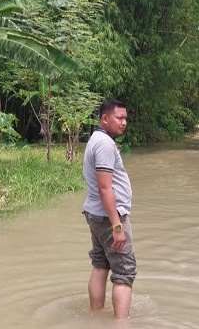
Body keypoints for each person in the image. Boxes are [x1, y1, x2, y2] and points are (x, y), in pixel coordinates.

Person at [82, 99, 136, 319]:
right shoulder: (104, 144)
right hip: (109, 218)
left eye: (125, 118)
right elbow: (105, 188)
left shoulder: (96, 139)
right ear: (104, 119)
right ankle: (121, 324)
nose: (124, 122)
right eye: (119, 118)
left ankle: (96, 316)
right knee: (124, 273)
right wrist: (117, 225)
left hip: (96, 214)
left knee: (100, 264)